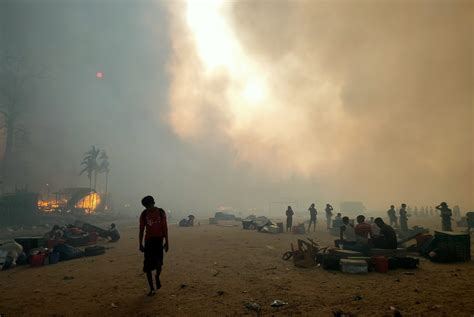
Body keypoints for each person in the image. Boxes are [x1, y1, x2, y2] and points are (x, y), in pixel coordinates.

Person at [139, 195, 169, 296]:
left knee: (159, 264)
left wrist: (167, 242)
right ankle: (152, 288)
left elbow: (165, 228)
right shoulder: (144, 214)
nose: (149, 208)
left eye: (150, 205)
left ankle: (157, 277)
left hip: (159, 241)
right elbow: (141, 230)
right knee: (147, 267)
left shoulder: (161, 212)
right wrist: (140, 244)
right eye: (147, 207)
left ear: (153, 203)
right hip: (148, 242)